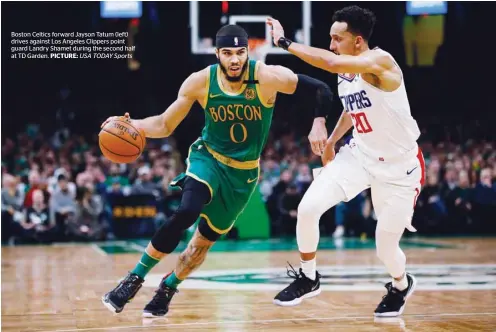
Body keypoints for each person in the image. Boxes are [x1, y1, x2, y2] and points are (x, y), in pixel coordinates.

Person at [101, 24, 333, 317]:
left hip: (243, 175)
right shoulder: (200, 82)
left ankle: (168, 287)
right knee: (187, 211)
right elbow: (163, 124)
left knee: (200, 245)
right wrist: (132, 125)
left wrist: (319, 121)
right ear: (217, 54)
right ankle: (134, 278)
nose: (235, 59)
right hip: (208, 158)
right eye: (227, 53)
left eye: (240, 53)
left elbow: (323, 89)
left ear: (248, 52)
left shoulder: (268, 77)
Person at [268, 5, 424, 317]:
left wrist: (285, 43)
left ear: (357, 41)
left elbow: (331, 61)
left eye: (337, 38)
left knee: (385, 248)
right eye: (330, 38)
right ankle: (309, 277)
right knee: (309, 208)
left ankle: (400, 284)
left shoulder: (381, 62)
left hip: (399, 167)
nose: (331, 44)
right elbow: (353, 110)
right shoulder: (347, 71)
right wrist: (333, 139)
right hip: (360, 155)